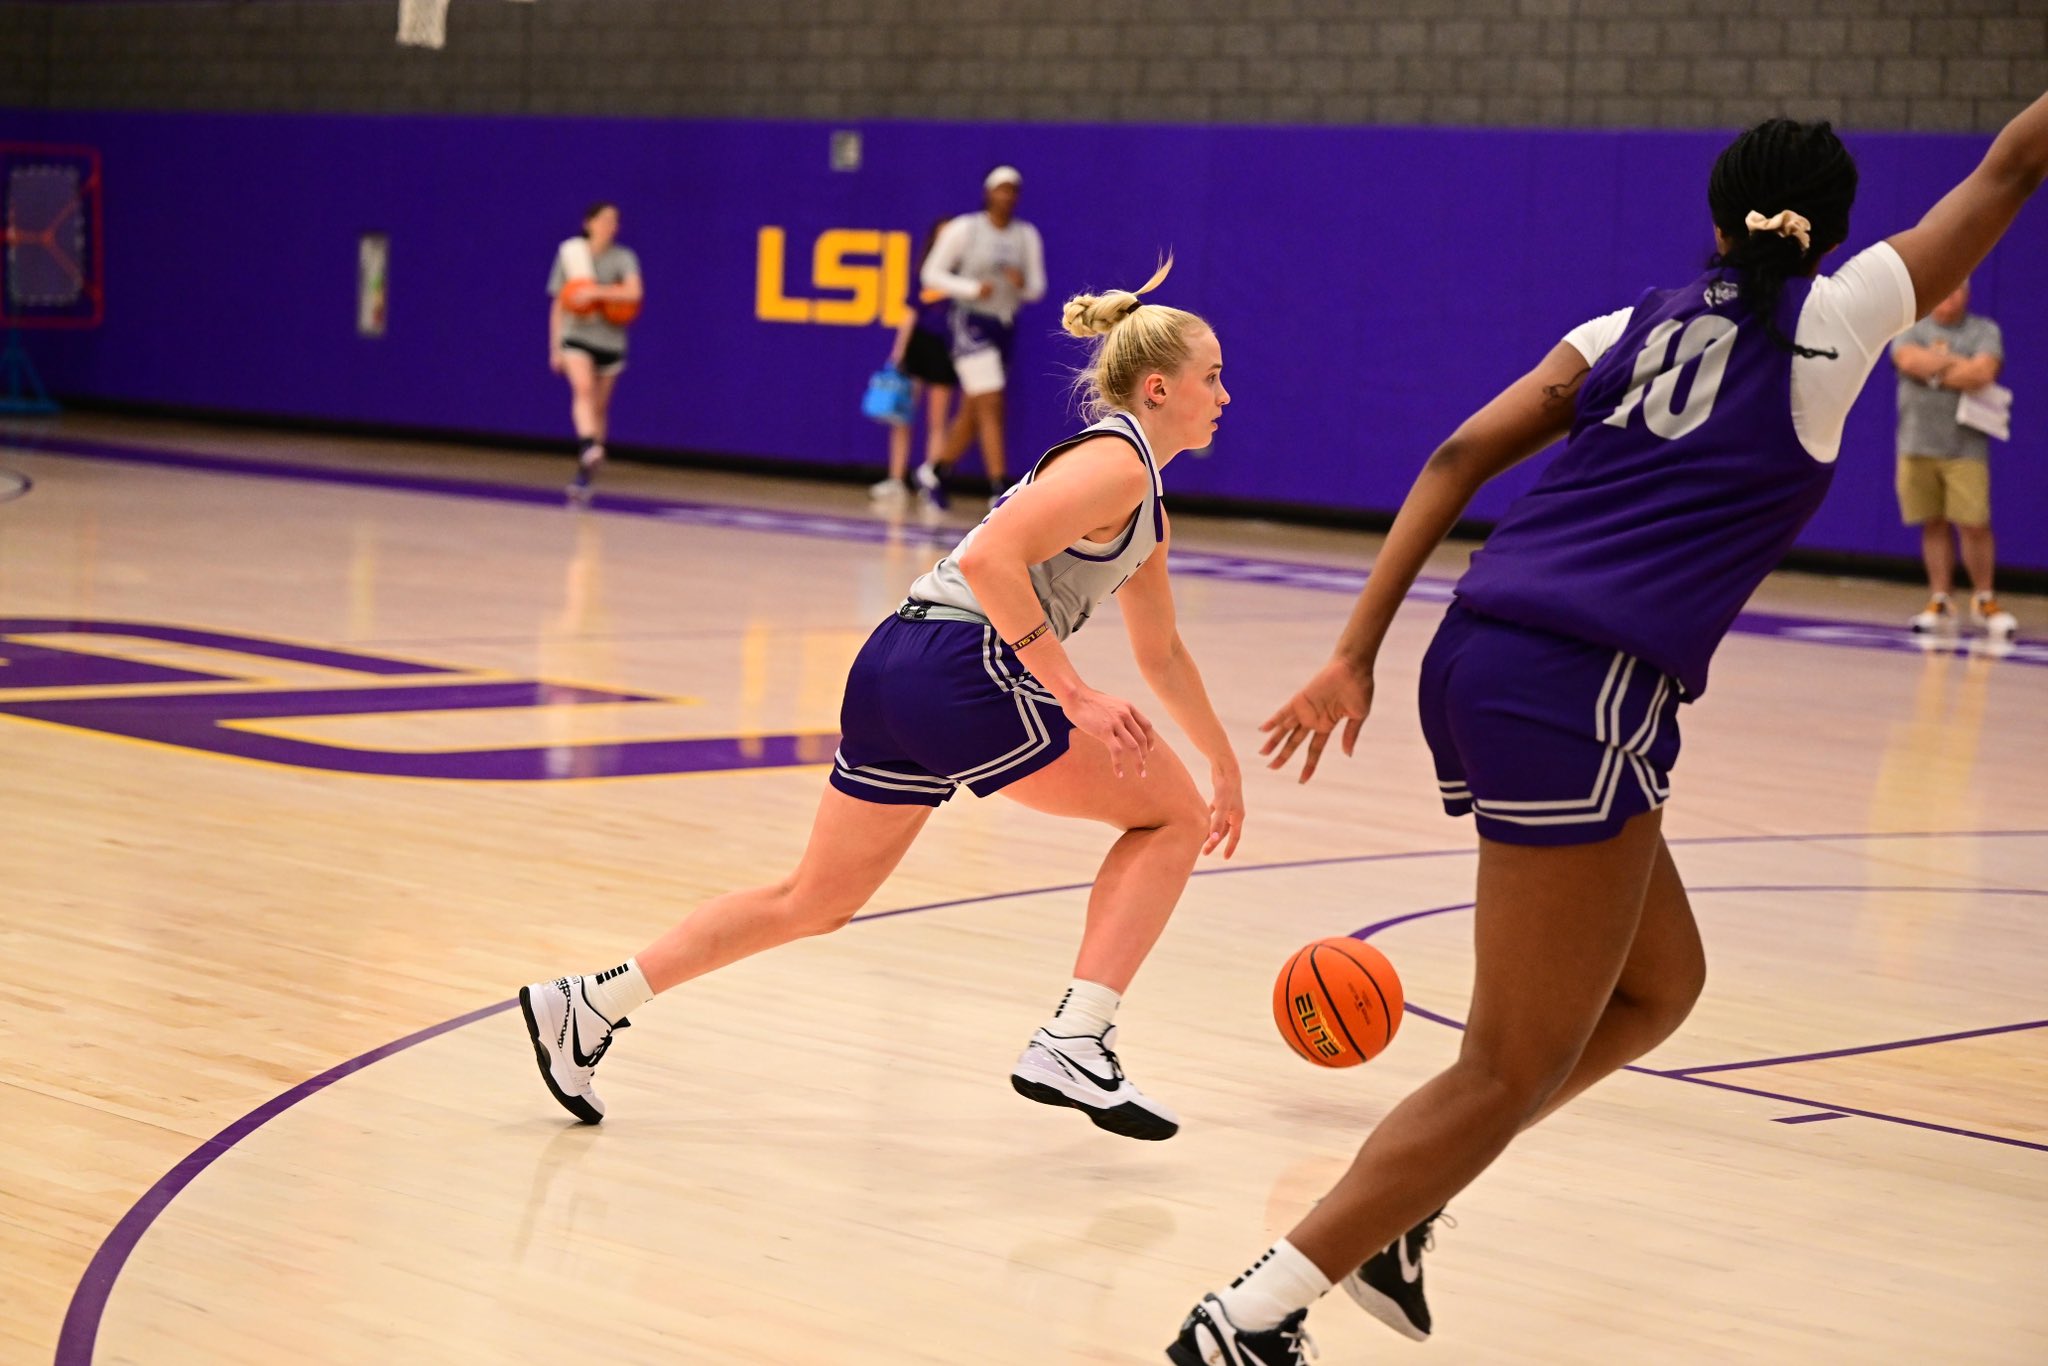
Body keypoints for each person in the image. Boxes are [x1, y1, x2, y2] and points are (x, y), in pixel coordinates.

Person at [1166, 93, 2048, 1366]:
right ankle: (1248, 1314)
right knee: (1501, 1068)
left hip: (1477, 654)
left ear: (1711, 216)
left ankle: (1408, 1208)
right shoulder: (1840, 319)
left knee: (1658, 986)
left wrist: (1353, 650)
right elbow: (2015, 160)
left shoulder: (1619, 325)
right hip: (1578, 690)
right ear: (1839, 234)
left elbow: (1458, 454)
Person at [520, 260, 1243, 1145]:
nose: (1224, 395)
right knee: (1169, 819)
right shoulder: (1116, 463)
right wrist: (1075, 692)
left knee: (812, 901)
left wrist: (1222, 758)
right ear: (1160, 387)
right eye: (1211, 377)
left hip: (898, 660)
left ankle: (586, 1005)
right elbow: (987, 561)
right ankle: (1074, 1036)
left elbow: (1161, 651)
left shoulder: (1143, 499)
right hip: (959, 660)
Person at [914, 165, 1047, 509]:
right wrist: (971, 288)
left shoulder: (1025, 234)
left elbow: (1037, 288)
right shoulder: (965, 229)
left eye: (1012, 190)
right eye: (1000, 189)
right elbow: (931, 273)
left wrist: (1022, 285)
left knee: (976, 407)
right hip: (969, 322)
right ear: (989, 192)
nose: (1006, 196)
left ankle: (937, 472)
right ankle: (1000, 486)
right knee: (991, 400)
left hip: (1003, 324)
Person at [1890, 279, 2016, 637]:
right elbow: (1906, 358)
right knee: (1932, 522)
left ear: (1968, 293)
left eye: (1957, 290)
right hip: (1916, 443)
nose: (1949, 297)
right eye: (1944, 290)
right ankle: (1940, 598)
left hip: (1966, 447)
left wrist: (1935, 369)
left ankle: (1985, 598)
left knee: (1974, 523)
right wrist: (1958, 367)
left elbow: (1983, 372)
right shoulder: (1912, 328)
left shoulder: (1983, 330)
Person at [547, 202, 643, 501]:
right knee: (583, 389)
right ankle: (589, 443)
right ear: (589, 223)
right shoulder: (571, 255)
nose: (609, 226)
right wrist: (555, 347)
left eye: (614, 221)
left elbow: (634, 292)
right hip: (576, 335)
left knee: (599, 407)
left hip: (611, 341)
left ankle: (585, 472)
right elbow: (560, 304)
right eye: (604, 220)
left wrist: (597, 292)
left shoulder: (623, 257)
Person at [871, 219, 965, 504]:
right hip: (918, 346)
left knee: (938, 421)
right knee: (902, 415)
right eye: (941, 236)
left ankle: (930, 480)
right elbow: (910, 313)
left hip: (946, 350)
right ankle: (896, 478)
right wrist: (898, 352)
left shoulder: (964, 278)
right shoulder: (924, 275)